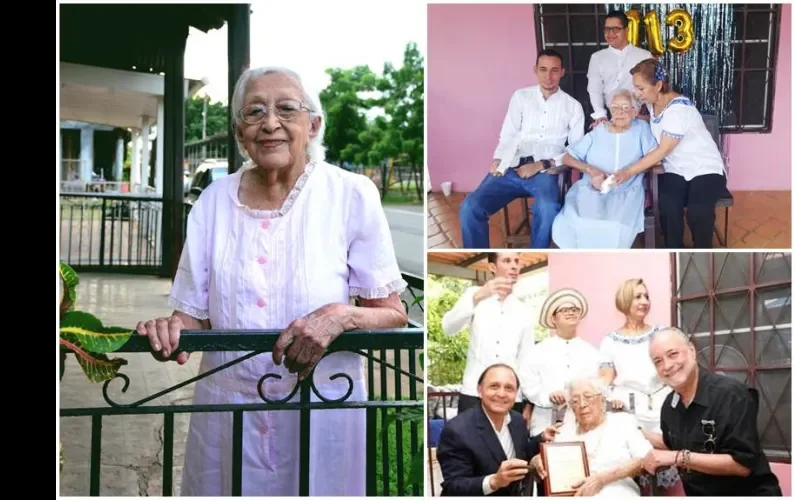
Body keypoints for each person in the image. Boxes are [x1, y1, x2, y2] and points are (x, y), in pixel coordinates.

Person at [135, 66, 409, 496]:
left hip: (321, 409)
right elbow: (191, 318)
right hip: (228, 415)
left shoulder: (351, 195)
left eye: (286, 109)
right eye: (254, 112)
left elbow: (393, 314)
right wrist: (169, 331)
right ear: (240, 133)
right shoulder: (211, 203)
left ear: (313, 124)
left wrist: (340, 316)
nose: (270, 123)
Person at [459, 49, 586, 249]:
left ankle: (539, 257)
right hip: (511, 166)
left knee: (548, 207)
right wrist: (499, 158)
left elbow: (576, 151)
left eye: (554, 70)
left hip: (545, 171)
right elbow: (508, 134)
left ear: (562, 72)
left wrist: (541, 164)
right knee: (470, 207)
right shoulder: (521, 97)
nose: (549, 76)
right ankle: (480, 257)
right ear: (535, 70)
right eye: (543, 69)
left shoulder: (573, 107)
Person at [644, 328, 782, 496]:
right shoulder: (669, 407)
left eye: (673, 354)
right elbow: (674, 443)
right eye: (658, 361)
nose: (667, 365)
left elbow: (742, 465)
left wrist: (678, 457)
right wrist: (637, 432)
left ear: (692, 351)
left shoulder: (732, 395)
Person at [612, 58, 729, 249]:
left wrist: (627, 172)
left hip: (705, 167)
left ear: (658, 85)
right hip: (675, 168)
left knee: (698, 210)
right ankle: (674, 248)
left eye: (640, 88)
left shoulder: (679, 110)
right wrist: (625, 116)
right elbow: (652, 120)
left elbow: (662, 150)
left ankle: (702, 249)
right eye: (635, 88)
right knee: (668, 206)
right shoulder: (653, 104)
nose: (637, 93)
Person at [598, 278, 679, 491]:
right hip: (629, 410)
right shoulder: (610, 340)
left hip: (662, 405)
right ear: (624, 301)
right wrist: (607, 398)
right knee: (634, 471)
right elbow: (605, 379)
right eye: (637, 296)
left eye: (646, 296)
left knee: (664, 467)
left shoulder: (661, 333)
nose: (644, 301)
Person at [550, 90, 658, 249]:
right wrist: (591, 170)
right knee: (578, 221)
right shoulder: (598, 131)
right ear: (609, 111)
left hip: (627, 192)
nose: (620, 113)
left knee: (616, 225)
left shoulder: (641, 129)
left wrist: (630, 172)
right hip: (591, 189)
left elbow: (655, 156)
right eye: (615, 108)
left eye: (626, 108)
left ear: (635, 112)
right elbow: (567, 157)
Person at [437, 363, 559, 496]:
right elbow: (454, 485)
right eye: (494, 386)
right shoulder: (457, 430)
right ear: (480, 390)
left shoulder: (517, 420)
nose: (501, 394)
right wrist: (494, 481)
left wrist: (541, 437)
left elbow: (522, 453)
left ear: (516, 394)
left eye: (509, 388)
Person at [442, 252, 535, 413]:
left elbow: (526, 359)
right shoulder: (474, 295)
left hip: (510, 396)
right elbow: (449, 328)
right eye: (507, 260)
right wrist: (477, 297)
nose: (514, 266)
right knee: (467, 439)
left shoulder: (524, 311)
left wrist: (527, 403)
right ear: (492, 266)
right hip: (474, 392)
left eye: (516, 261)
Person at [533, 378, 654, 497]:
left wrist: (602, 479)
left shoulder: (623, 422)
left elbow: (644, 459)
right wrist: (537, 460)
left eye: (588, 397)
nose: (582, 404)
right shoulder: (564, 431)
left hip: (616, 492)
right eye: (575, 400)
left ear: (602, 399)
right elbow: (549, 462)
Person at [519, 287, 601, 438]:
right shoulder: (538, 351)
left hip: (583, 424)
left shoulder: (591, 352)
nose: (571, 312)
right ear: (553, 318)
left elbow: (598, 385)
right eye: (564, 310)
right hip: (546, 423)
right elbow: (527, 383)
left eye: (574, 309)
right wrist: (548, 396)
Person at [586, 10, 654, 129]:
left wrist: (647, 114)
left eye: (616, 29)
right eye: (607, 29)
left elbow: (653, 87)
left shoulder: (644, 56)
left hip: (639, 117)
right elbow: (594, 89)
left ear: (627, 30)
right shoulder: (597, 57)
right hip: (609, 117)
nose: (610, 33)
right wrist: (601, 115)